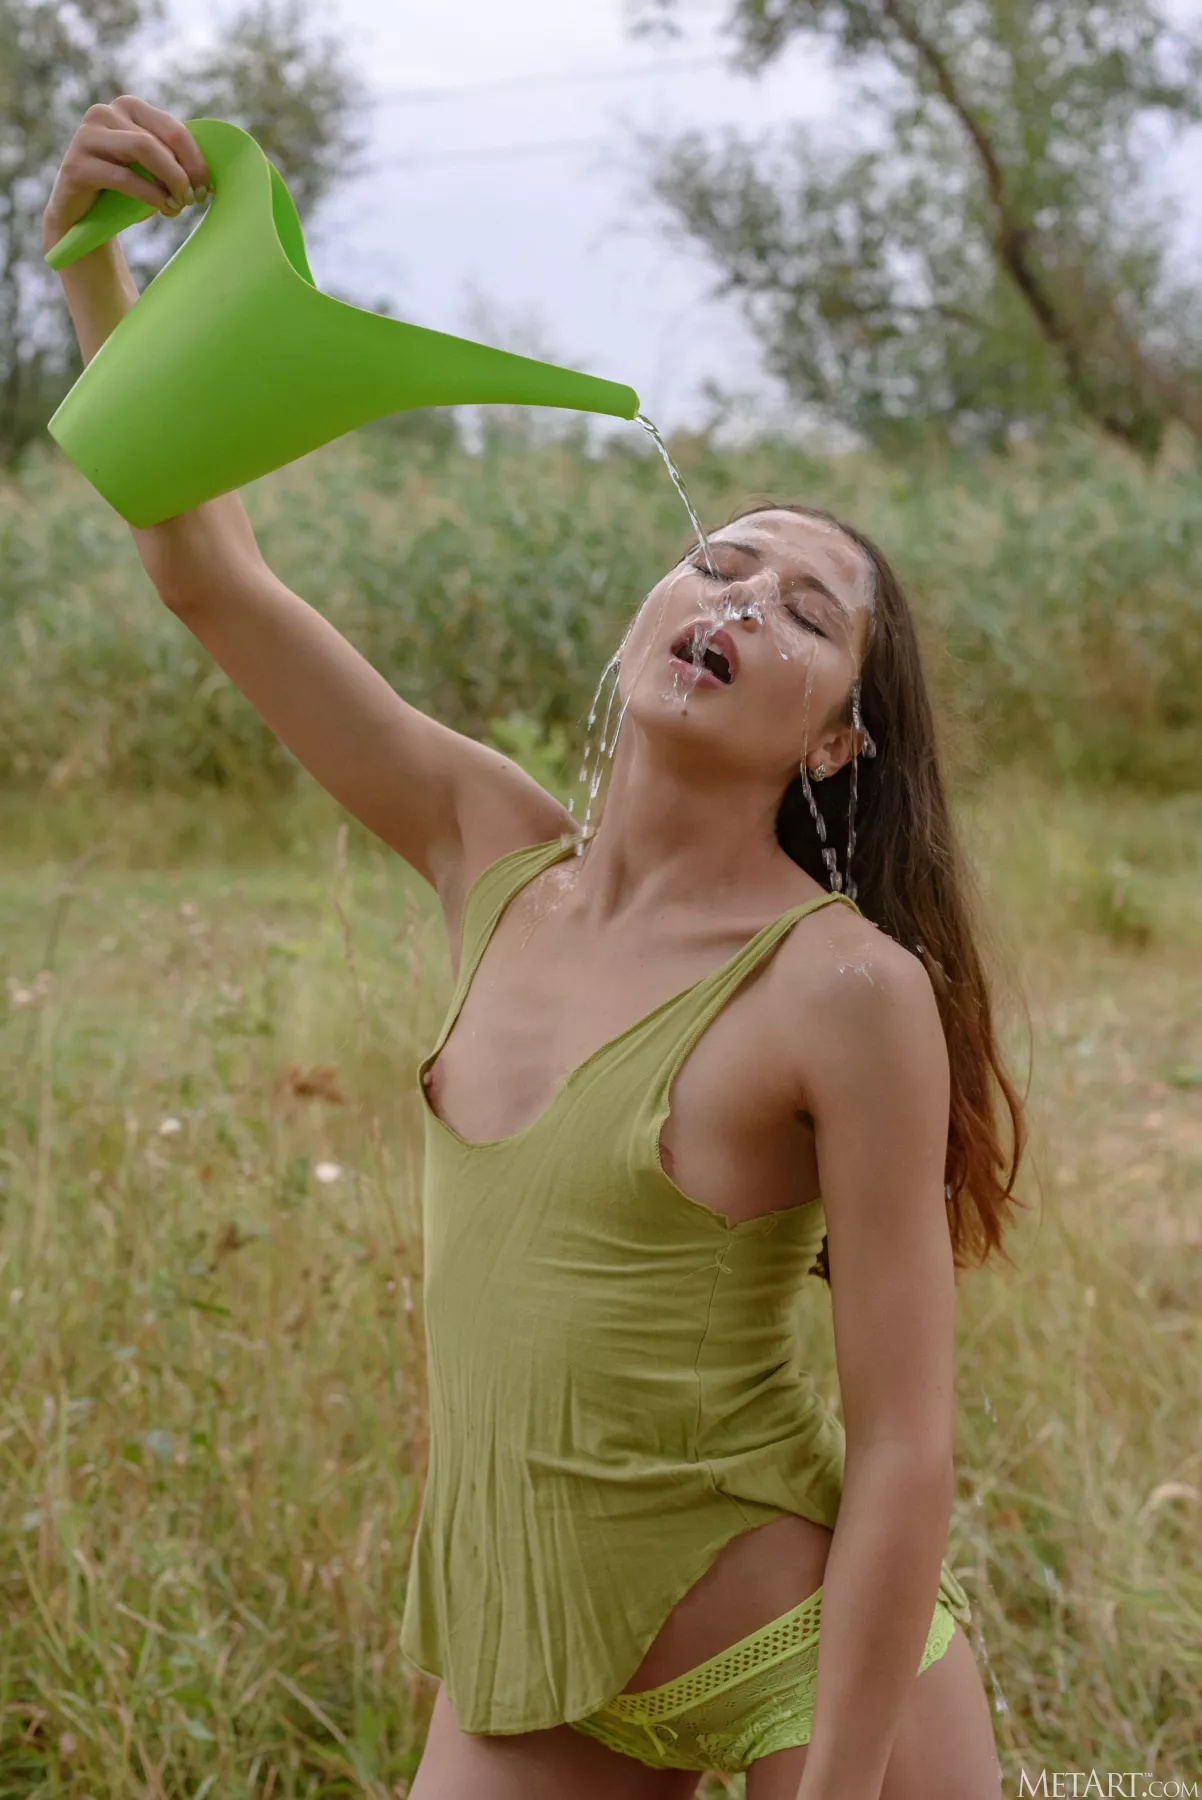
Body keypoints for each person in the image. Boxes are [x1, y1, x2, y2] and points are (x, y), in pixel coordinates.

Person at [45, 97, 1025, 1800]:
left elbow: (903, 1445)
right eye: (717, 563)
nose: (738, 602)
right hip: (527, 1664)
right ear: (646, 611)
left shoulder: (846, 989)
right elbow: (208, 574)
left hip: (797, 1664)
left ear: (833, 744)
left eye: (804, 614)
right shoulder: (483, 846)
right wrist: (94, 271)